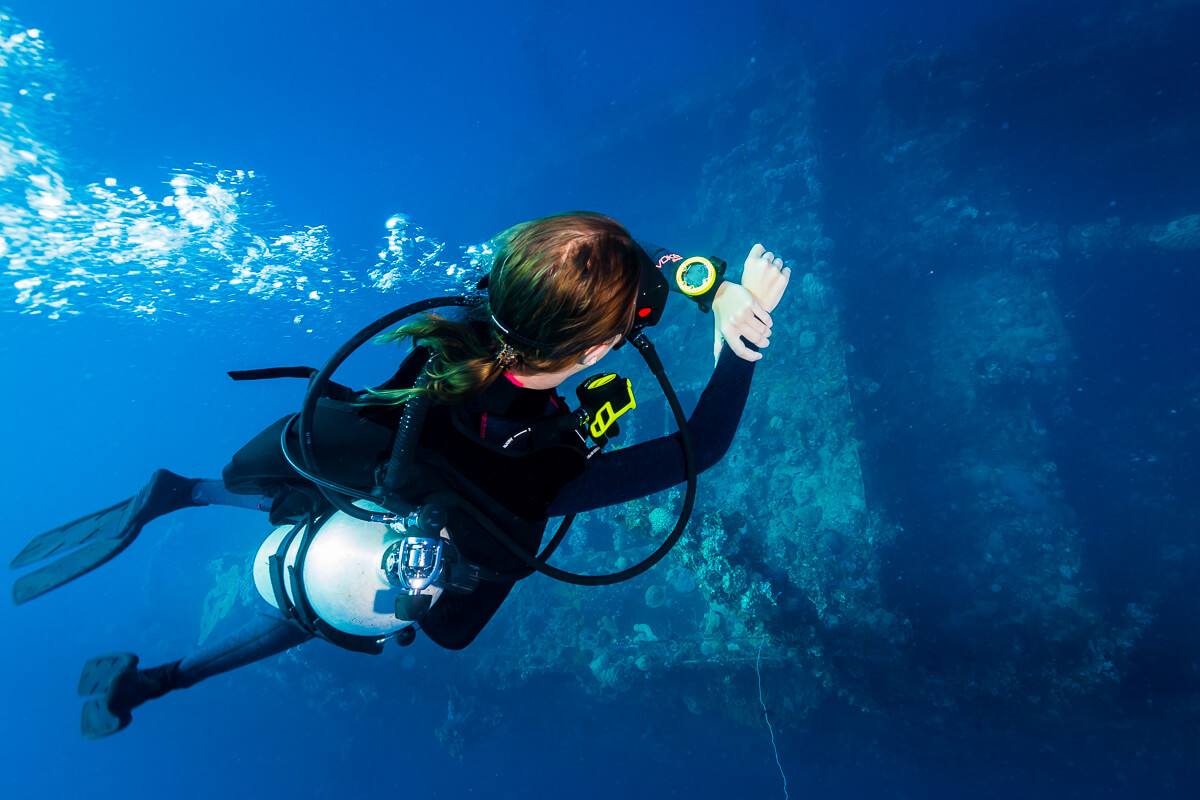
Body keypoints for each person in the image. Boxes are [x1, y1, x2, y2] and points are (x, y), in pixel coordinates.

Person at [11, 212, 792, 738]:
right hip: (395, 539)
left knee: (325, 492)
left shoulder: (471, 318)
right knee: (318, 608)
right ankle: (162, 681)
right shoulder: (540, 476)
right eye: (626, 332)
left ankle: (178, 493)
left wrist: (699, 280)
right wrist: (741, 340)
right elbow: (707, 443)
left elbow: (590, 263)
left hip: (369, 458)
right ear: (591, 356)